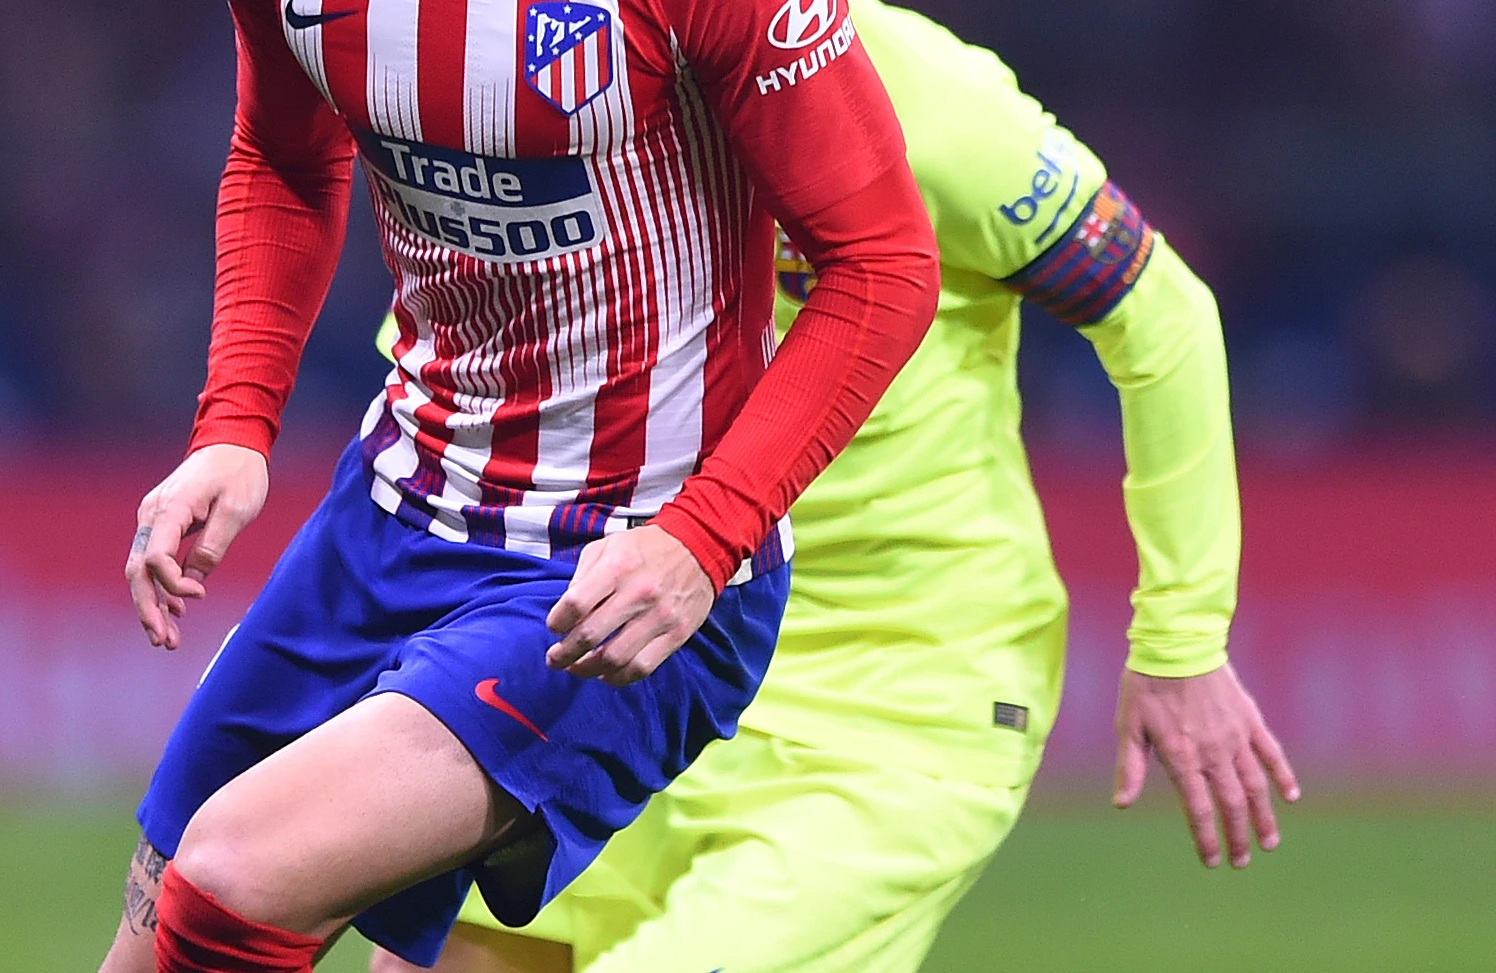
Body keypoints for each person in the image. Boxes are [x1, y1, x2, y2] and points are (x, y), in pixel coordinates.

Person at [370, 2, 1300, 971]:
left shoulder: (924, 100)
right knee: (425, 958)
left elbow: (1161, 314)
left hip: (894, 694)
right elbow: (448, 384)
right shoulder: (544, 90)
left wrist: (1182, 641)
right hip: (638, 650)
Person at [97, 0, 940, 972]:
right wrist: (235, 425)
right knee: (154, 940)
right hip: (393, 512)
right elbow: (282, 152)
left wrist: (704, 536)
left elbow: (883, 263)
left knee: (231, 876)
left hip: (622, 563)